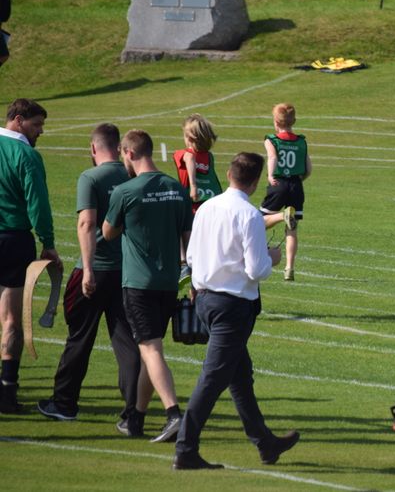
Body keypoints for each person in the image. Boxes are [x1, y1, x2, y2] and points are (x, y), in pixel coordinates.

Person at [173, 152, 300, 470]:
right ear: (256, 182)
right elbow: (256, 269)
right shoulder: (249, 215)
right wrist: (272, 257)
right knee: (214, 377)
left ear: (229, 174)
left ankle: (265, 442)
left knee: (240, 376)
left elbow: (190, 254)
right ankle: (185, 448)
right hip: (232, 305)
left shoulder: (206, 207)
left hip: (204, 298)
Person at [36, 123, 144, 435]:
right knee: (126, 342)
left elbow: (87, 223)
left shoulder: (90, 177)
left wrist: (88, 269)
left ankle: (64, 403)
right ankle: (132, 412)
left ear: (94, 148)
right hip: (126, 271)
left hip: (94, 269)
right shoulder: (131, 176)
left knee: (79, 337)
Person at [103, 129, 193, 443]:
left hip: (138, 284)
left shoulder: (125, 191)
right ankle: (135, 418)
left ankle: (173, 414)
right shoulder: (175, 188)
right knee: (148, 353)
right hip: (168, 283)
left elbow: (108, 232)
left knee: (151, 351)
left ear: (127, 153)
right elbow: (188, 240)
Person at [0, 99, 62, 413]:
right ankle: (7, 392)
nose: (40, 132)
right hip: (13, 240)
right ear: (19, 120)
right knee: (12, 320)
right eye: (36, 125)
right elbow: (37, 204)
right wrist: (48, 243)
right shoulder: (26, 155)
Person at [260, 103, 309, 282]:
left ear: (275, 122)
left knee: (259, 221)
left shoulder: (272, 139)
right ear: (294, 121)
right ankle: (289, 267)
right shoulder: (302, 140)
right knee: (292, 229)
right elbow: (308, 167)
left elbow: (272, 157)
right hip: (296, 184)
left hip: (278, 183)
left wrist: (271, 175)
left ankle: (281, 216)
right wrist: (299, 180)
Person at [173, 113, 222, 213]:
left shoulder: (182, 154)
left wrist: (193, 186)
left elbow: (190, 157)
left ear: (189, 138)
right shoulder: (209, 156)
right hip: (212, 206)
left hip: (192, 209)